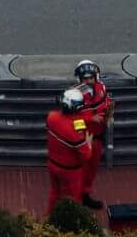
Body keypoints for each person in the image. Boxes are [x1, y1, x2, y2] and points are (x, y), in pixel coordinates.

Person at [45, 87, 92, 216]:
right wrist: (88, 142)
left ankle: (48, 219)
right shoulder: (76, 130)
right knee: (72, 200)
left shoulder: (51, 117)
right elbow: (87, 155)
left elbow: (72, 120)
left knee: (55, 193)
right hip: (70, 171)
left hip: (52, 164)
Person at [72, 60, 112, 209]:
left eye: (91, 78)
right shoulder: (74, 96)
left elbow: (106, 102)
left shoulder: (101, 88)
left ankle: (85, 194)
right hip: (83, 139)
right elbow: (72, 121)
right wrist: (90, 119)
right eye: (85, 78)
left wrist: (108, 112)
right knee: (79, 171)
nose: (89, 81)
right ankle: (75, 199)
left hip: (97, 138)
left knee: (92, 170)